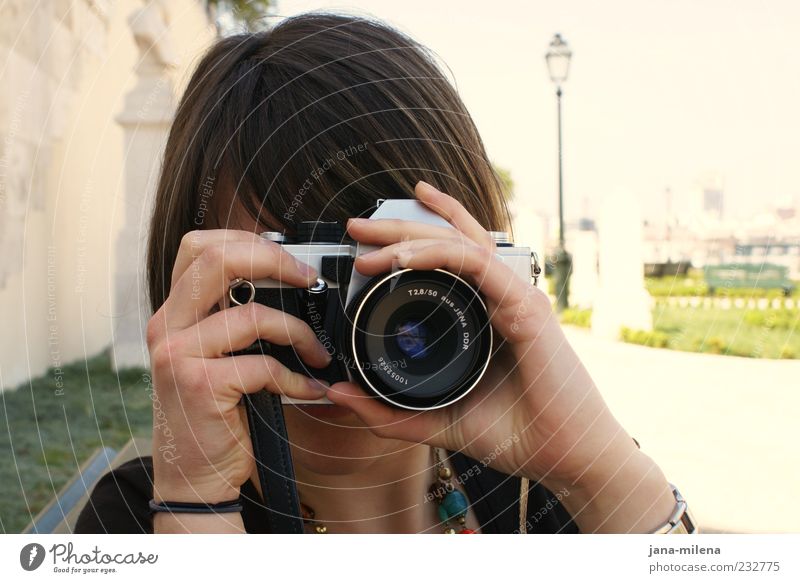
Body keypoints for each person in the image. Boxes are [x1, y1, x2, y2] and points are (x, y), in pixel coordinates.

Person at [76, 12, 686, 534]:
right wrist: (196, 505)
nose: (354, 324)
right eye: (302, 276)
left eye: (400, 276)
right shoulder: (135, 521)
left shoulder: (541, 485)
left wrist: (601, 472)